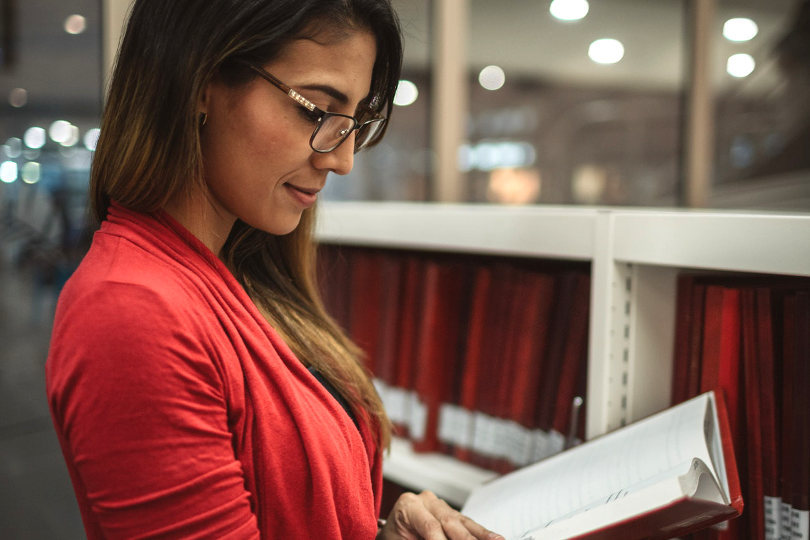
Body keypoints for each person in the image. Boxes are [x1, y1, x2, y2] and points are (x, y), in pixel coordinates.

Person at [45, 0, 504, 538]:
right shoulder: (132, 313)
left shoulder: (234, 274)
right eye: (315, 110)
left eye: (355, 120)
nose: (342, 157)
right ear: (200, 82)